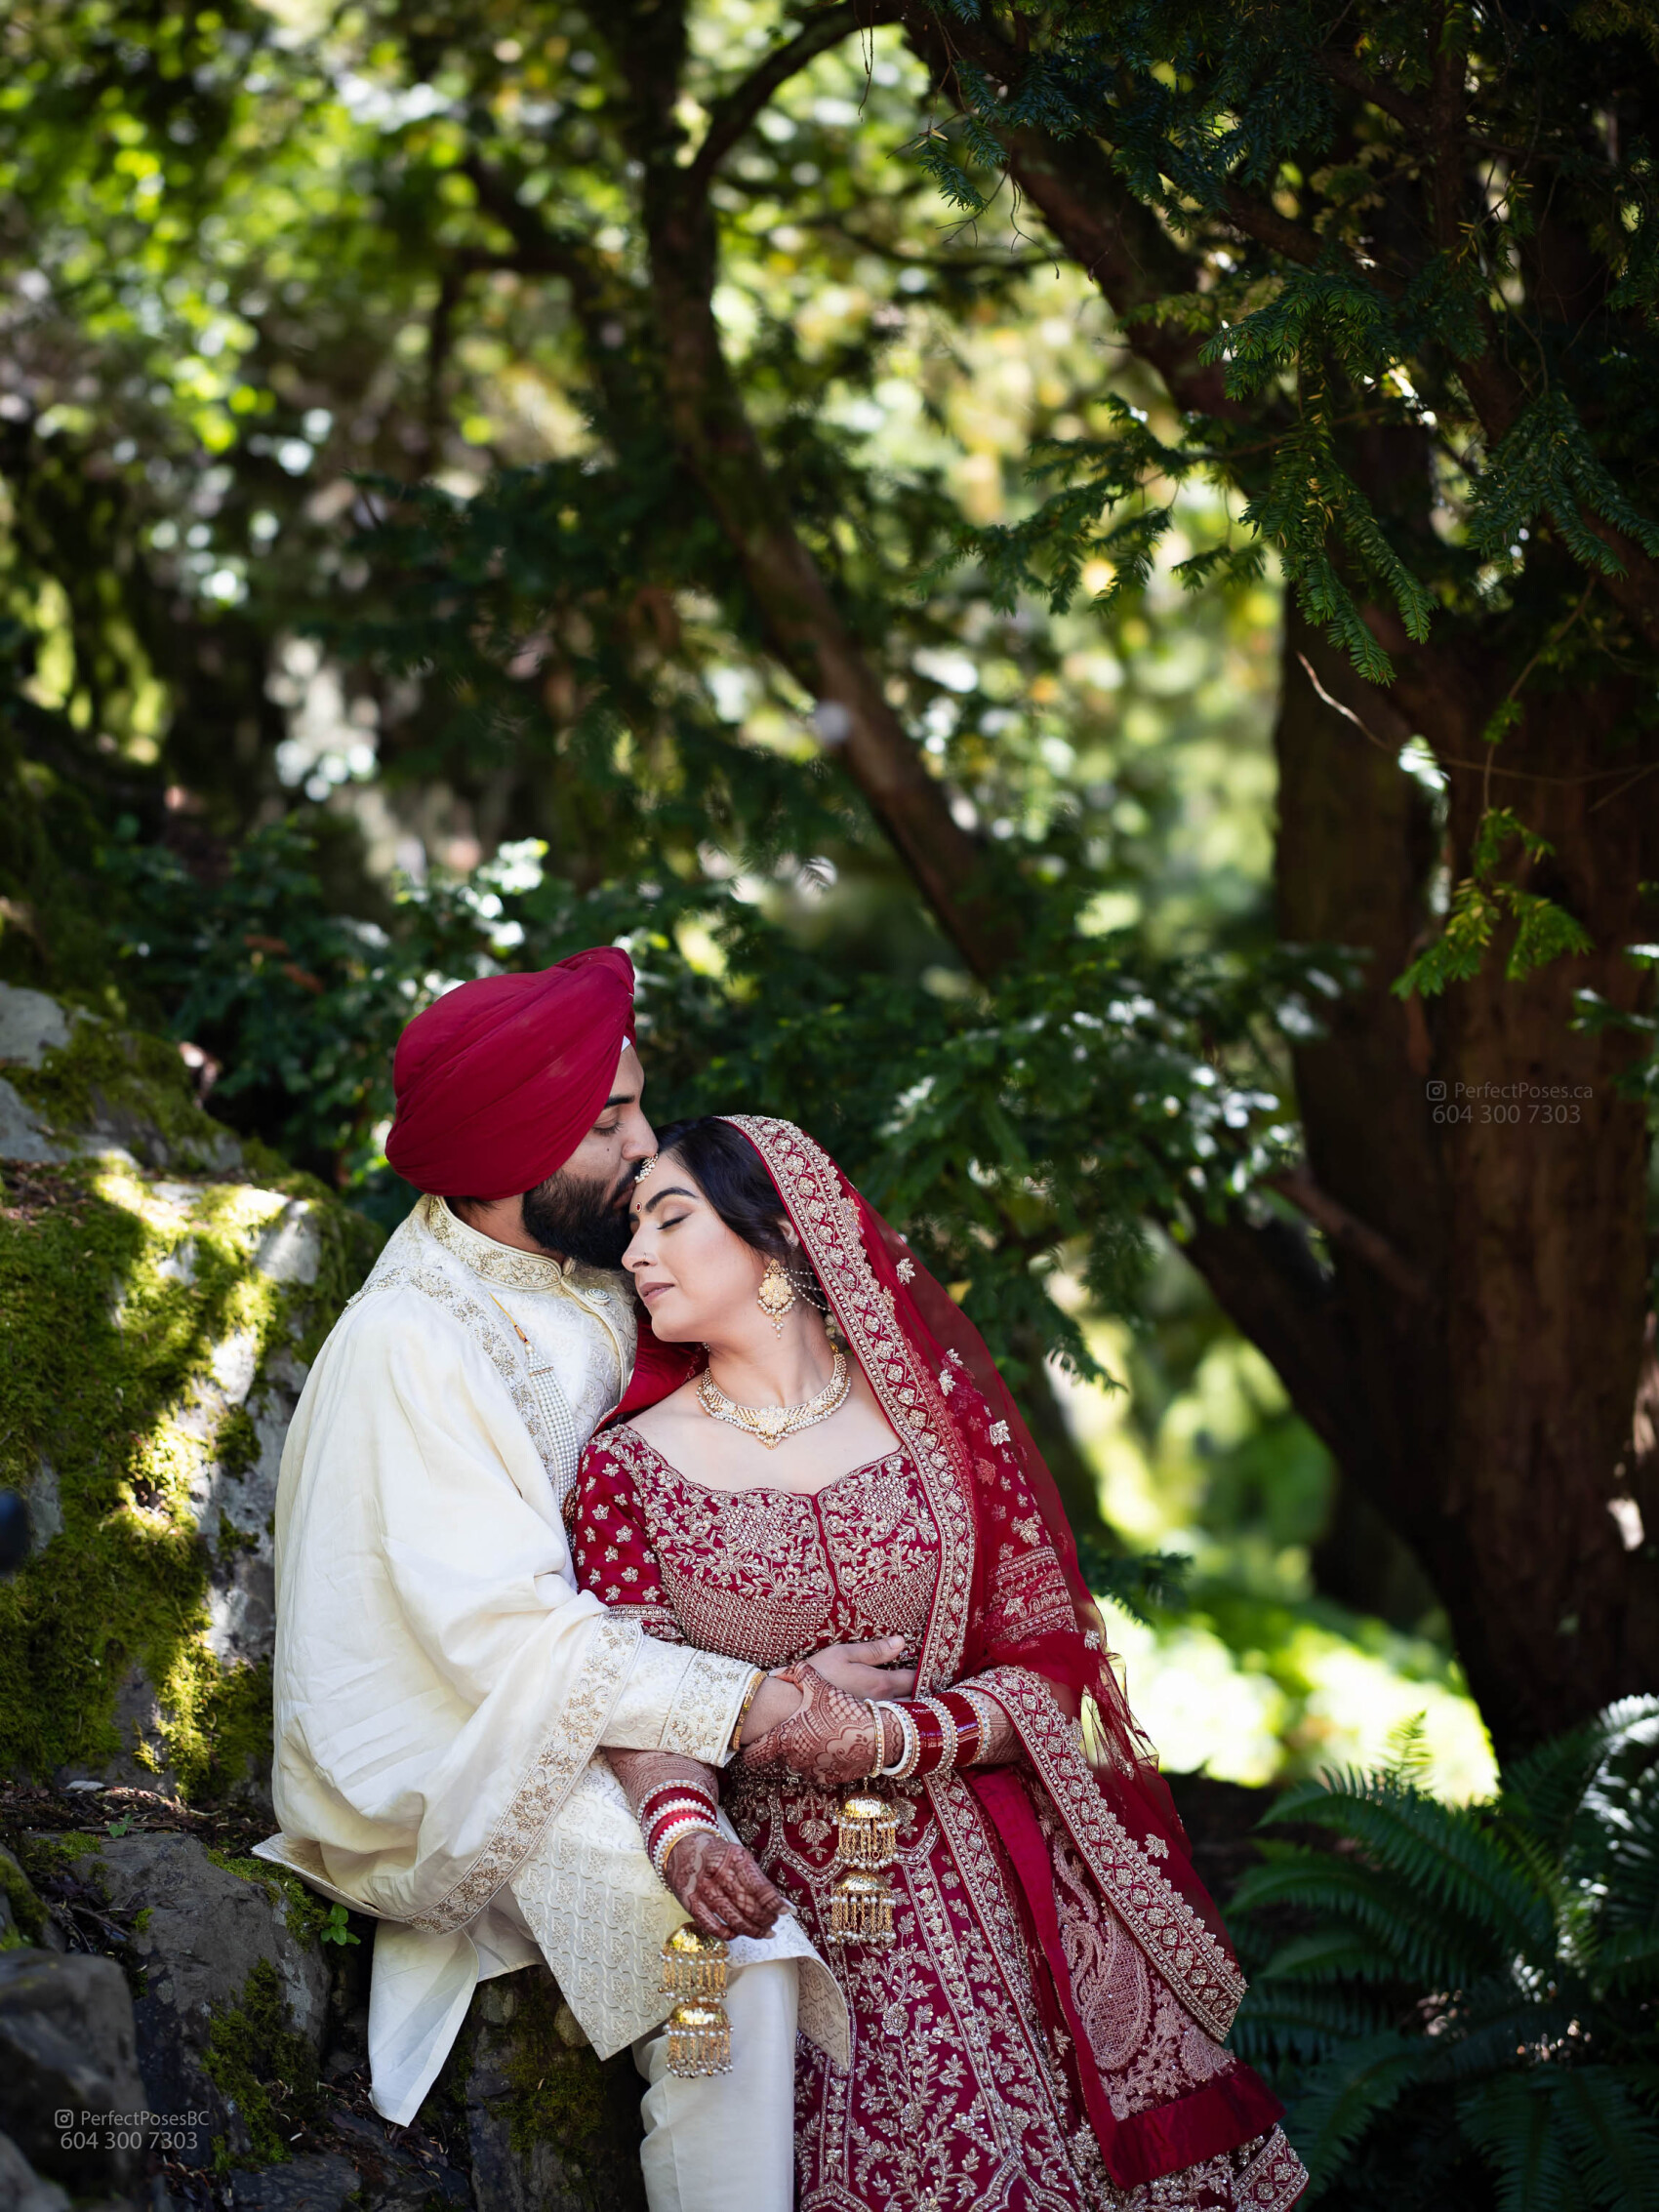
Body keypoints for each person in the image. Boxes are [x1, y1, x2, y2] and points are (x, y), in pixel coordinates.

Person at [255, 953, 910, 2212]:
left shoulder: (600, 1274)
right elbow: (506, 1641)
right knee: (736, 1955)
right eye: (606, 1123)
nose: (644, 1144)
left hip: (603, 1694)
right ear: (513, 1152)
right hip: (461, 1753)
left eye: (635, 1105)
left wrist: (775, 1670)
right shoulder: (413, 1341)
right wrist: (762, 1701)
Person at [570, 1113, 1310, 2212]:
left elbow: (1049, 1652)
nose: (635, 1253)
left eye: (669, 1218)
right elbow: (631, 1686)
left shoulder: (937, 1422)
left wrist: (892, 1733)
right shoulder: (622, 1468)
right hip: (775, 1903)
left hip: (983, 1877)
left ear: (776, 1234)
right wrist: (684, 1831)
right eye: (630, 1228)